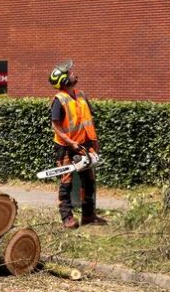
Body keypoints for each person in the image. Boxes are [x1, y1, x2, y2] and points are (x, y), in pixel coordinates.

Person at [49, 59, 107, 229]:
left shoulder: (81, 95)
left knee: (89, 181)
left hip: (84, 145)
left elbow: (88, 120)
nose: (74, 74)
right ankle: (67, 217)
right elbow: (56, 127)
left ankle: (89, 216)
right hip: (66, 148)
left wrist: (94, 142)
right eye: (70, 73)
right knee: (66, 182)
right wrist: (71, 142)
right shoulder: (59, 100)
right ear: (65, 80)